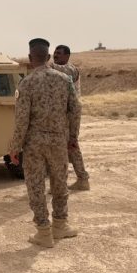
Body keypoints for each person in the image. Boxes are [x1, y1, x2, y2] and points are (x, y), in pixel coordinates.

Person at [9, 38, 81, 248]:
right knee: (59, 181)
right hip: (59, 140)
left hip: (34, 144)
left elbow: (21, 120)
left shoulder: (26, 83)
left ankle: (43, 231)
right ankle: (60, 225)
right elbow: (76, 109)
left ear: (31, 58)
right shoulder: (64, 80)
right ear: (49, 58)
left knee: (36, 186)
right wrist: (73, 138)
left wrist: (15, 148)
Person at [51, 44, 91, 191]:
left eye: (59, 53)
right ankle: (81, 179)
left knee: (70, 146)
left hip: (70, 113)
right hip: (65, 113)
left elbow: (56, 70)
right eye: (55, 52)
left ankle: (79, 179)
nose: (55, 55)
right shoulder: (57, 68)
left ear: (67, 56)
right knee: (68, 147)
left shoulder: (69, 69)